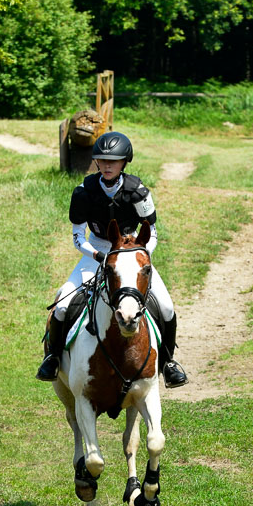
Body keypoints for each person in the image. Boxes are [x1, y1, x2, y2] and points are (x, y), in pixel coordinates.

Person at [36, 130, 188, 388]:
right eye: (102, 160)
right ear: (96, 162)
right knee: (62, 304)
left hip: (130, 251)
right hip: (96, 250)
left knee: (166, 306)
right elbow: (77, 236)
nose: (107, 165)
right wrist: (99, 255)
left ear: (124, 162)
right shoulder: (83, 192)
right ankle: (52, 357)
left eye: (113, 161)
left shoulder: (137, 191)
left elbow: (152, 233)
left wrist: (138, 255)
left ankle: (168, 363)